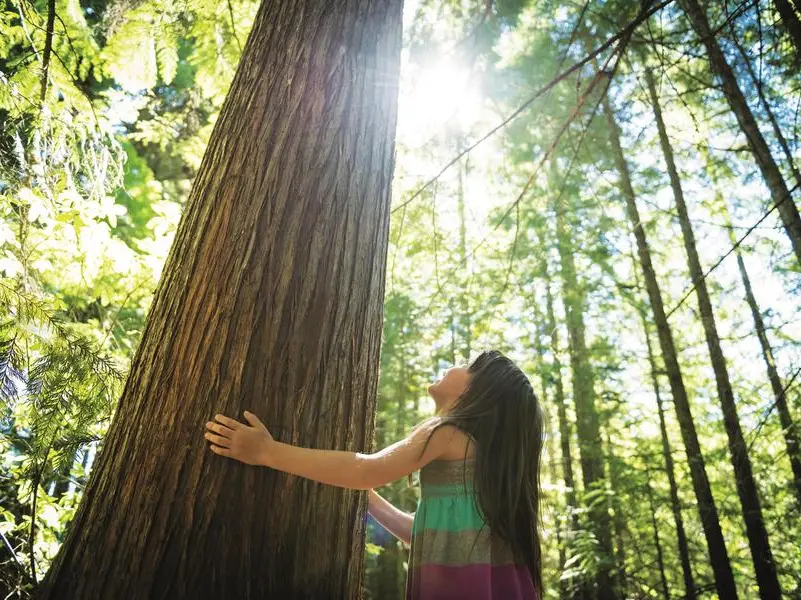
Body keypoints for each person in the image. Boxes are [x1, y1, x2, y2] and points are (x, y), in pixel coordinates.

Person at [204, 350, 544, 599]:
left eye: (468, 366)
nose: (456, 363)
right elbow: (428, 536)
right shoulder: (479, 470)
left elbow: (366, 469)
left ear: (478, 393)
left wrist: (267, 451)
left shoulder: (447, 433)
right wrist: (369, 501)